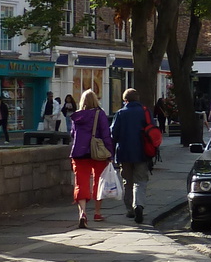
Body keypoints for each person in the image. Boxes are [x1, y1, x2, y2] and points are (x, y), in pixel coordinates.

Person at [66, 89, 114, 228]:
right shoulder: (100, 114)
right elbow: (106, 135)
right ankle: (97, 213)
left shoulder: (77, 116)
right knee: (99, 182)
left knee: (81, 183)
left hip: (79, 153)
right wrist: (110, 153)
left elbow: (73, 134)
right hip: (97, 153)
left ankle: (82, 213)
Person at [109, 88, 154, 224]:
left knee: (127, 182)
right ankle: (138, 205)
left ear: (125, 100)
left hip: (124, 153)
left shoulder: (120, 113)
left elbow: (113, 134)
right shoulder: (145, 112)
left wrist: (111, 153)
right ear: (138, 98)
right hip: (142, 152)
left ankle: (130, 209)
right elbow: (153, 131)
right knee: (140, 181)